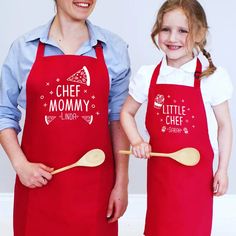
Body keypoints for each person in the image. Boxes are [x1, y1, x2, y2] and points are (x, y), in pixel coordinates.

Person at [0, 0, 130, 235]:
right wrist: (20, 164)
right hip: (38, 186)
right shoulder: (23, 48)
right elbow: (4, 112)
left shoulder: (114, 49)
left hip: (95, 190)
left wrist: (122, 182)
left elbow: (119, 120)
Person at [121, 0, 233, 235]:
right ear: (156, 31)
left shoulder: (211, 78)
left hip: (197, 180)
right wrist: (137, 141)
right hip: (161, 177)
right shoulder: (148, 75)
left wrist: (222, 169)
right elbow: (127, 113)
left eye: (183, 30)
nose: (173, 38)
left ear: (200, 33)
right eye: (165, 29)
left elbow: (224, 126)